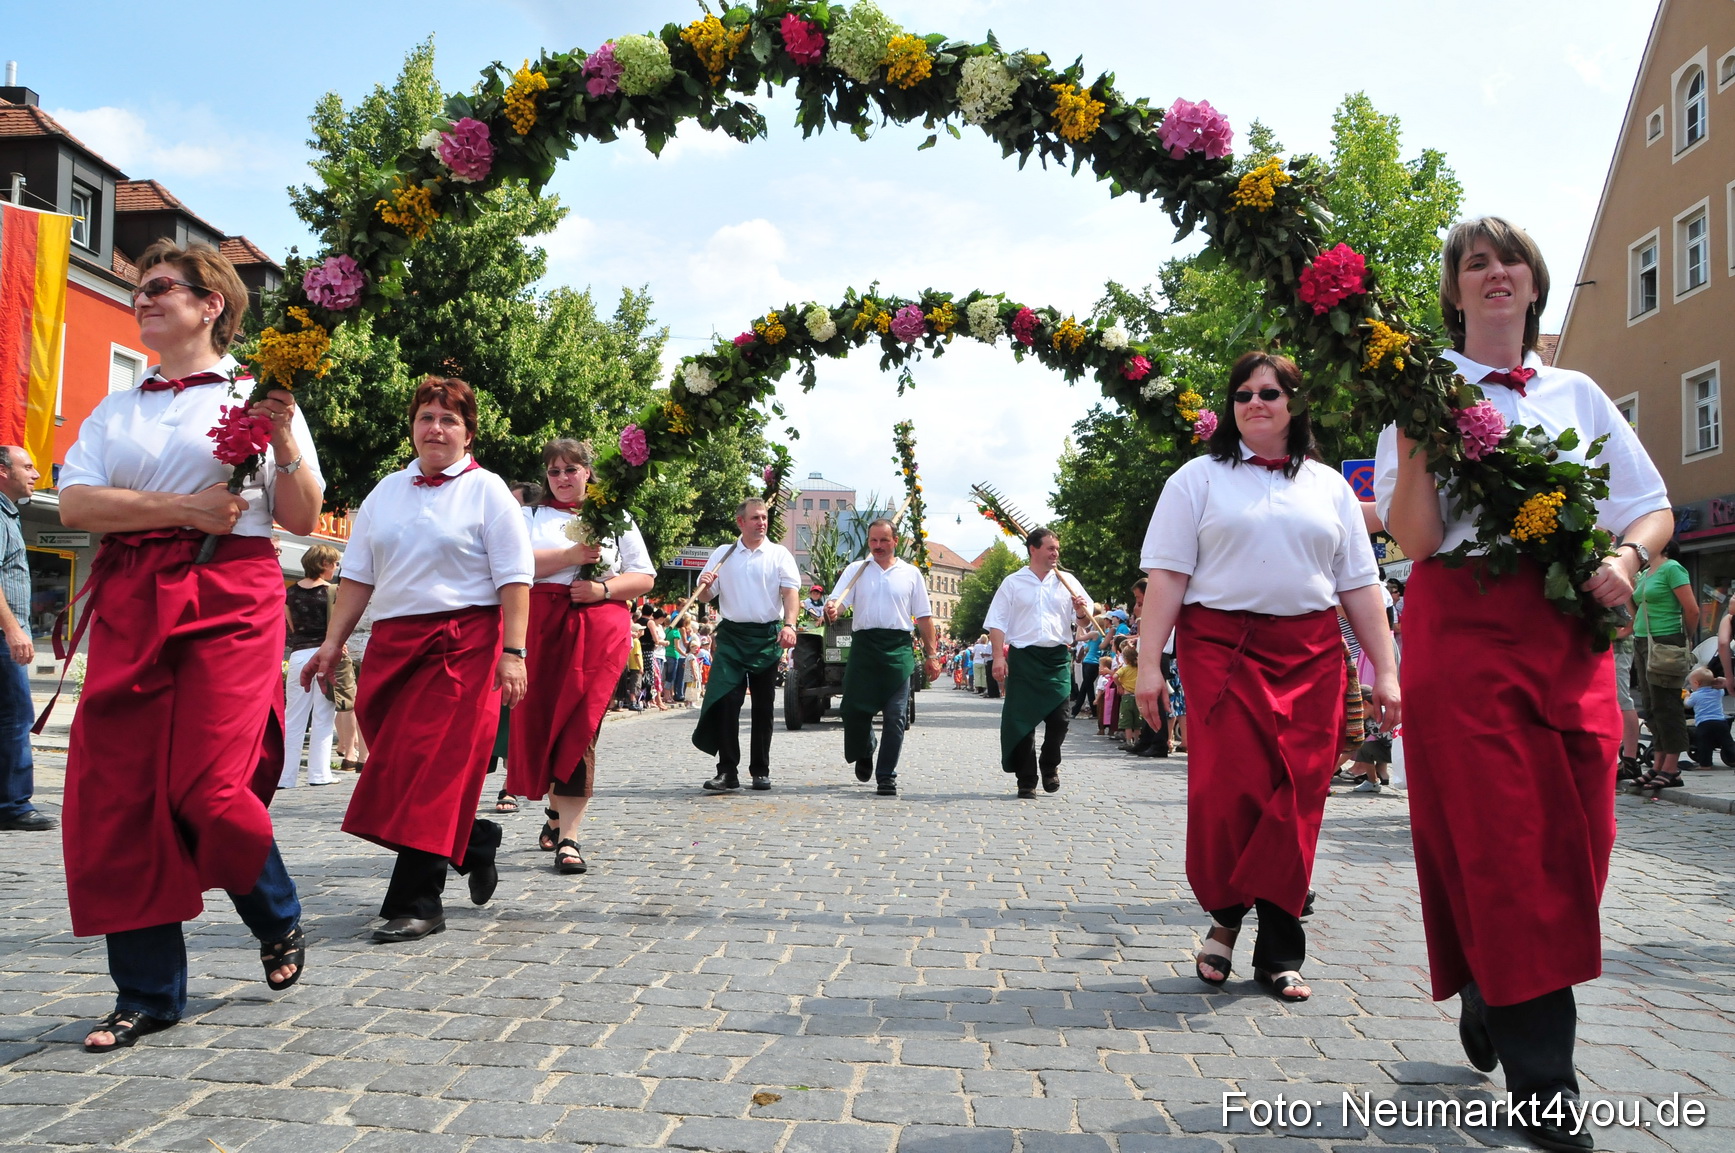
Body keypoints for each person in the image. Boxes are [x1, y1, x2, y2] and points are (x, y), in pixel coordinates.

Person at [1377, 217, 1671, 1151]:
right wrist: (1425, 421)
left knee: (1580, 840)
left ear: (1535, 285)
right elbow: (1417, 539)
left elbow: (1651, 505)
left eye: (1509, 260)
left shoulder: (1577, 394)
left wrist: (1626, 559)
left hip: (1566, 633)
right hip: (1463, 630)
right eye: (1474, 263)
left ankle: (1486, 982)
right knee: (1507, 842)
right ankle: (1544, 1077)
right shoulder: (1419, 394)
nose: (1494, 273)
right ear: (1454, 292)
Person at [57, 240, 323, 1051]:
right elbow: (75, 504)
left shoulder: (258, 391)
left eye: (161, 286)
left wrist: (278, 441)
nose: (144, 297)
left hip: (228, 595)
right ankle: (146, 992)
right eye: (139, 287)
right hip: (135, 596)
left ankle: (273, 909)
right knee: (121, 795)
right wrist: (179, 511)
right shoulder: (118, 408)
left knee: (208, 789)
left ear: (213, 304)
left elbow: (304, 516)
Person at [1137, 350, 1396, 1006]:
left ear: (1293, 404)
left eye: (1271, 392)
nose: (1256, 401)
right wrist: (1147, 664)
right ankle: (1225, 915)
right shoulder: (1196, 480)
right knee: (1230, 792)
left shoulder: (1329, 487)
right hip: (1220, 650)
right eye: (1244, 391)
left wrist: (1386, 671)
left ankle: (1279, 950)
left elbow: (1360, 585)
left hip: (1309, 652)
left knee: (1298, 792)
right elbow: (1166, 578)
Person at [301, 377, 532, 943]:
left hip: (463, 644)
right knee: (399, 767)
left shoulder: (489, 492)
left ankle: (418, 901)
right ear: (413, 426)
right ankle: (474, 841)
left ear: (468, 432)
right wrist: (332, 644)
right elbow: (357, 577)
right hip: (393, 643)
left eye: (449, 420)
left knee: (429, 768)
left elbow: (515, 579)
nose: (436, 428)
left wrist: (513, 652)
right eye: (427, 417)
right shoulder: (386, 491)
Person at [507, 439, 655, 874]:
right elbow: (512, 564)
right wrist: (569, 558)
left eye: (571, 469)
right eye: (554, 471)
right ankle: (555, 812)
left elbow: (643, 575)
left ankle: (569, 838)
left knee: (580, 726)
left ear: (588, 472)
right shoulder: (526, 516)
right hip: (540, 629)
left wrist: (603, 589)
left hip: (595, 628)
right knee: (542, 725)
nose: (563, 479)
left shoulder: (615, 517)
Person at [824, 518, 943, 796]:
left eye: (883, 541)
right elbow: (838, 605)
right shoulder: (857, 570)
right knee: (853, 710)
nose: (877, 546)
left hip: (897, 648)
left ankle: (886, 775)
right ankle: (865, 748)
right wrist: (832, 609)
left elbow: (924, 618)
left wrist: (932, 654)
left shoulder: (911, 574)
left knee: (896, 716)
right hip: (864, 646)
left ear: (895, 541)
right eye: (873, 540)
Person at [691, 498, 800, 791]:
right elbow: (704, 596)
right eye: (754, 518)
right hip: (732, 639)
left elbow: (790, 594)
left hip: (767, 638)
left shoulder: (779, 554)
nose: (761, 523)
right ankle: (727, 771)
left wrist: (789, 625)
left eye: (764, 517)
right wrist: (703, 583)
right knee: (727, 702)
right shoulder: (723, 555)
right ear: (740, 522)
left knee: (763, 706)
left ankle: (760, 770)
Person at [986, 528, 1094, 798]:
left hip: (1056, 657)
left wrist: (1081, 610)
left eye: (1057, 548)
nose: (1055, 553)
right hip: (1024, 658)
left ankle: (1049, 764)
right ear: (1033, 549)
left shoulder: (1067, 581)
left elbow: (1084, 621)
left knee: (1061, 719)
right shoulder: (1013, 582)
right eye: (1050, 548)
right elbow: (996, 623)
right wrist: (999, 656)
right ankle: (1027, 779)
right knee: (1022, 721)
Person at [0, 444, 52, 832]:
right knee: (15, 717)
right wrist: (13, 628)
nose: (36, 475)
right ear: (3, 472)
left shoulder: (10, 515)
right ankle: (13, 805)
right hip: (1, 634)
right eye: (28, 467)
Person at [1630, 539, 1699, 788]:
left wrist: (1684, 639)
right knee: (1650, 705)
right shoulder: (1645, 572)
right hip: (1642, 641)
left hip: (1665, 641)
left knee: (1667, 705)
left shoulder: (1673, 569)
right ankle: (1658, 762)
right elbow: (1634, 604)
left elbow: (1692, 610)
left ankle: (1672, 768)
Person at [279, 544, 342, 788]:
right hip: (325, 654)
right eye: (334, 563)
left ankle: (286, 776)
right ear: (324, 564)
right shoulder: (333, 591)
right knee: (324, 715)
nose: (335, 567)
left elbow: (291, 627)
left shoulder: (290, 592)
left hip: (298, 655)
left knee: (294, 716)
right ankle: (319, 773)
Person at [1685, 667, 1734, 770]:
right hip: (1721, 722)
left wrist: (1687, 696)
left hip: (1704, 724)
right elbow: (1722, 688)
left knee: (1704, 745)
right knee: (1728, 743)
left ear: (1696, 683)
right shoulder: (1718, 692)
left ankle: (1705, 765)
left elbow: (1688, 705)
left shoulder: (1695, 695)